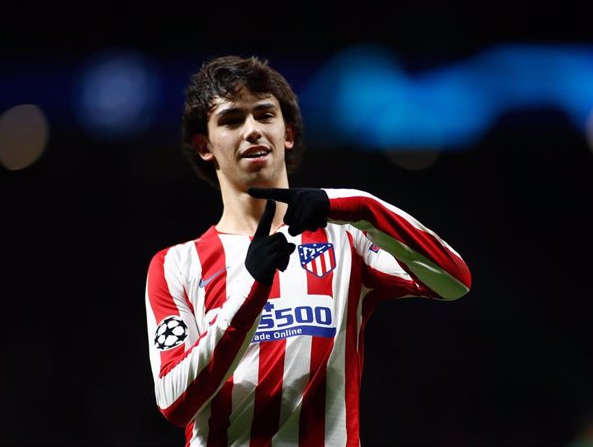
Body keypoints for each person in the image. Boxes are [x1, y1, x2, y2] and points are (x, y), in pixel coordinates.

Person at [144, 55, 472, 446]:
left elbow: (455, 281)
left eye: (265, 114)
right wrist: (250, 291)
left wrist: (358, 206)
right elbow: (173, 401)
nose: (252, 130)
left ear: (288, 134)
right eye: (232, 120)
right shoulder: (176, 265)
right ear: (204, 146)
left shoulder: (346, 239)